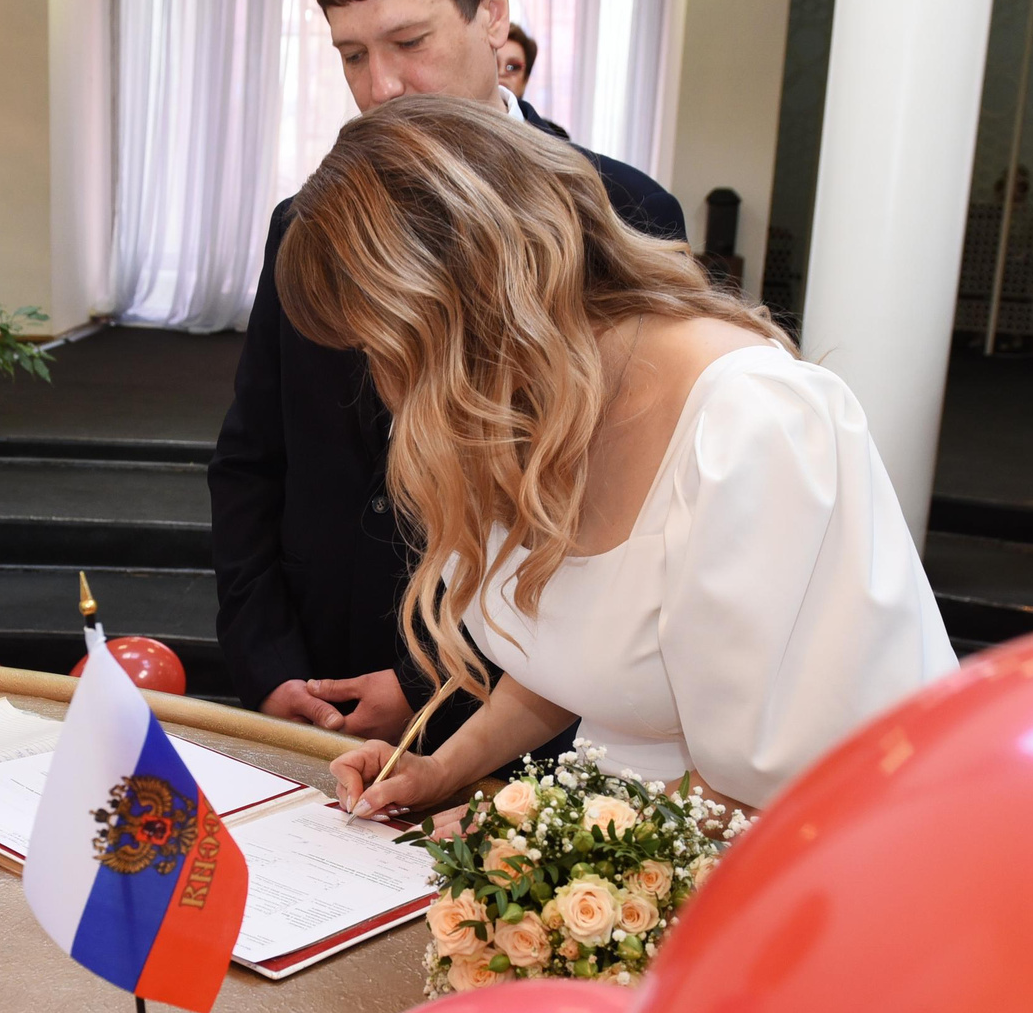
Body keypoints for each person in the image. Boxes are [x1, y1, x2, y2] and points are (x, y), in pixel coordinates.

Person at [275, 96, 953, 820]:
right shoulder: (526, 404)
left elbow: (785, 784)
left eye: (386, 346)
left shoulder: (752, 426)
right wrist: (442, 770)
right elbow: (580, 663)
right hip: (623, 835)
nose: (386, 382)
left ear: (467, 307)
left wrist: (527, 831)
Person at [209, 0, 683, 746]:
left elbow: (616, 512)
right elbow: (252, 461)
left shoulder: (622, 214)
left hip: (516, 698)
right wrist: (266, 660)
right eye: (352, 55)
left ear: (492, 12)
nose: (381, 87)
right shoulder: (306, 223)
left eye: (408, 42)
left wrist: (434, 673)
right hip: (317, 675)